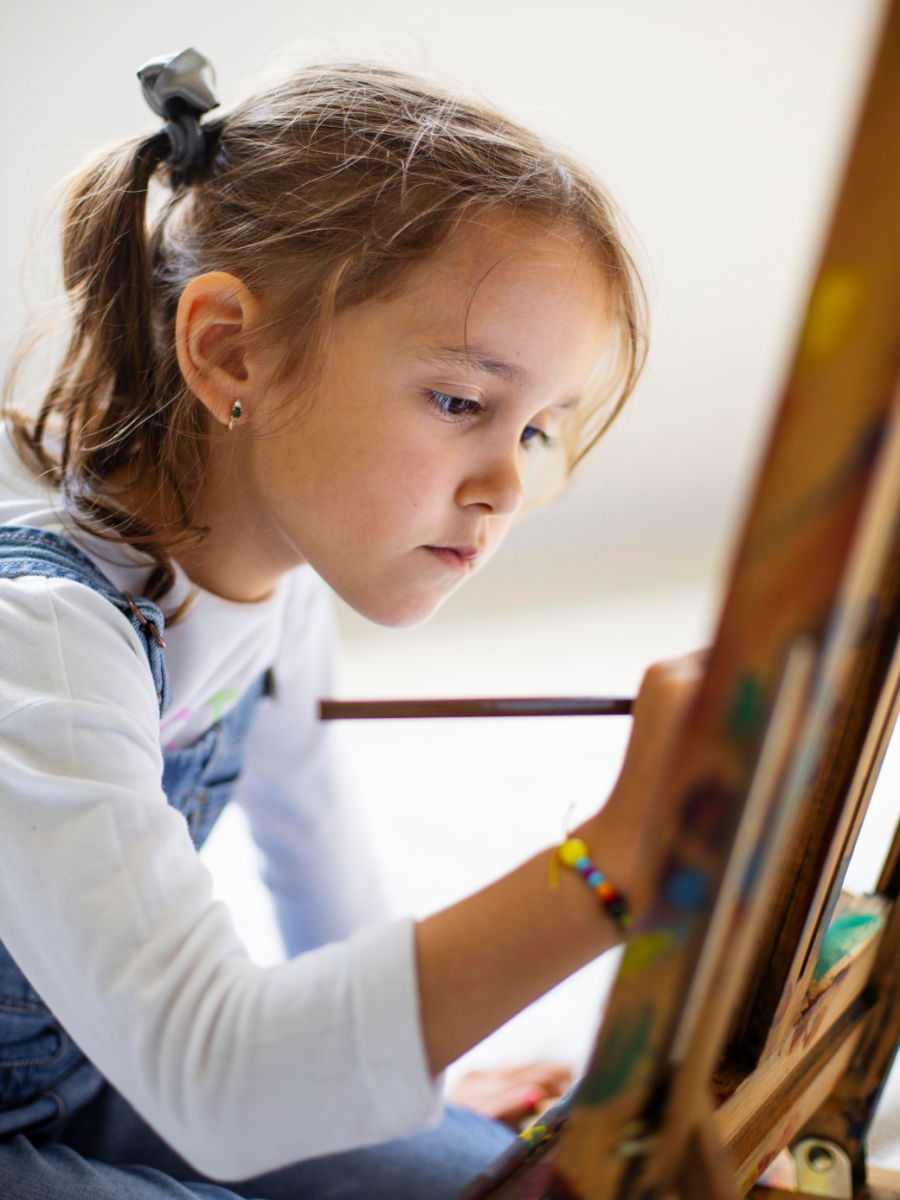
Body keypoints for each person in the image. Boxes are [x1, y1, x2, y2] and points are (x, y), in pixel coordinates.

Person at [0, 48, 699, 1200]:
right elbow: (221, 1081)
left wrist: (391, 1082)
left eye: (531, 430)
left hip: (95, 1071)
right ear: (231, 348)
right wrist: (613, 863)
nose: (505, 488)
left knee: (485, 1178)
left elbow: (318, 866)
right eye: (461, 401)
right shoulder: (41, 645)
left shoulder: (279, 581)